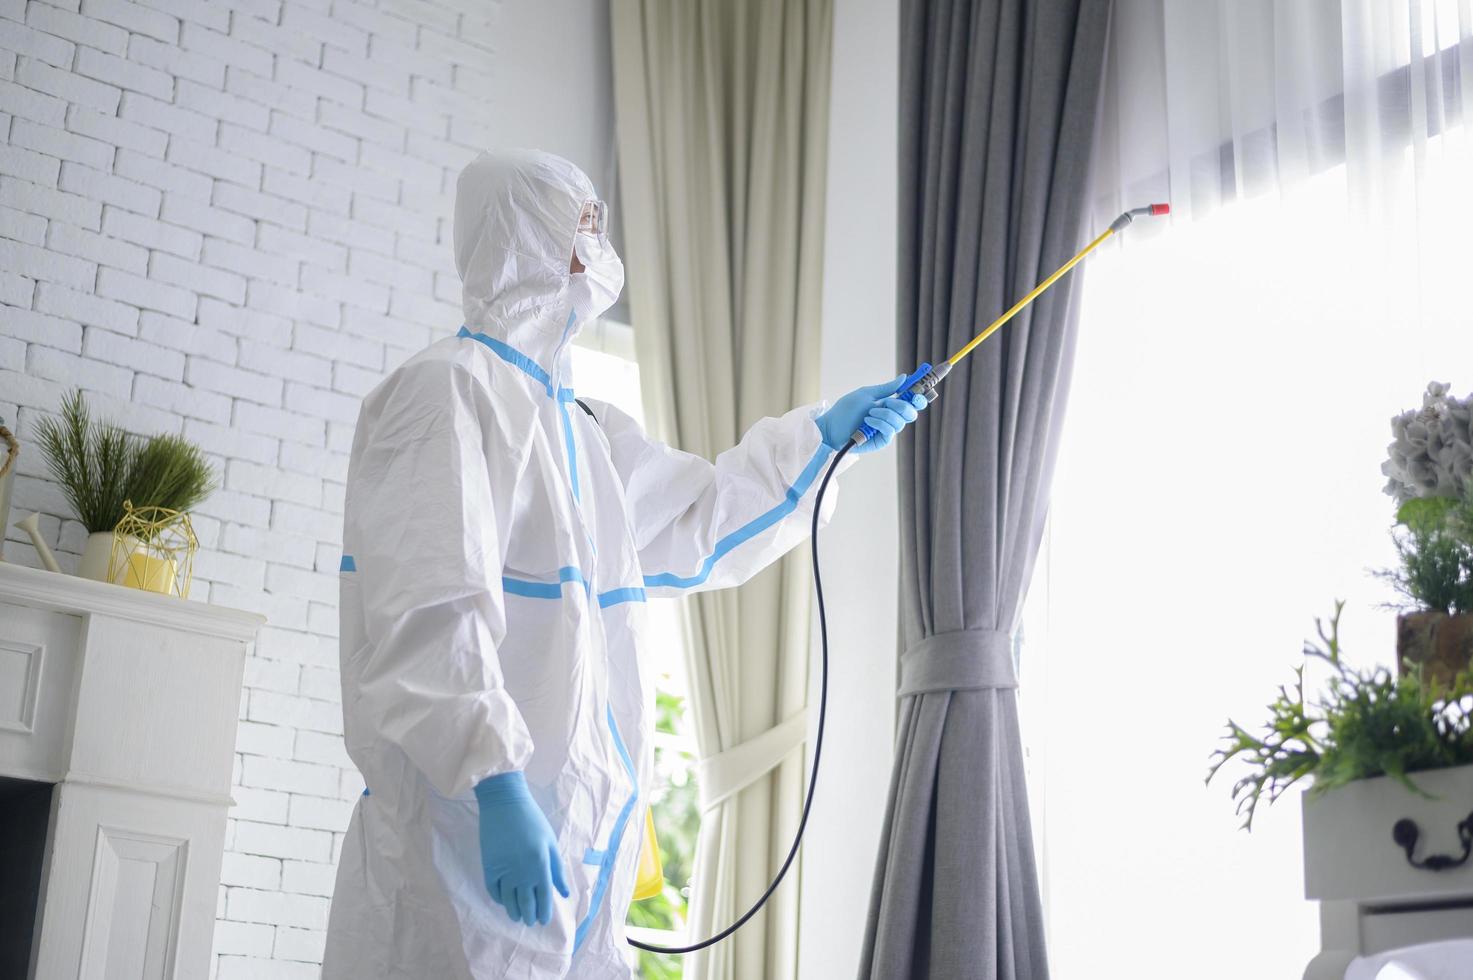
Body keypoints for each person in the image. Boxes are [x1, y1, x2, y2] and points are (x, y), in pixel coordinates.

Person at [321, 149, 928, 979]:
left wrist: (824, 439)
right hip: (457, 842)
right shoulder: (444, 394)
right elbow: (428, 610)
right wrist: (494, 783)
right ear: (526, 238)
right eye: (582, 226)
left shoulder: (583, 430)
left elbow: (699, 522)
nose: (597, 247)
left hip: (580, 849)